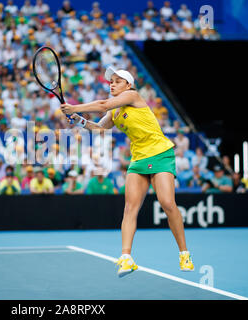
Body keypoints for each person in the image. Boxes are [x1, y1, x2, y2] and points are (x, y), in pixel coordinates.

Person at [60, 66, 194, 276]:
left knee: (167, 203)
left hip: (161, 153)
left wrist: (74, 107)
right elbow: (100, 128)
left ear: (128, 85)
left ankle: (184, 253)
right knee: (130, 208)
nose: (112, 84)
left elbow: (102, 104)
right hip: (139, 159)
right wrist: (79, 120)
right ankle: (126, 257)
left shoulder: (133, 95)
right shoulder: (115, 111)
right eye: (110, 81)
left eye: (117, 81)